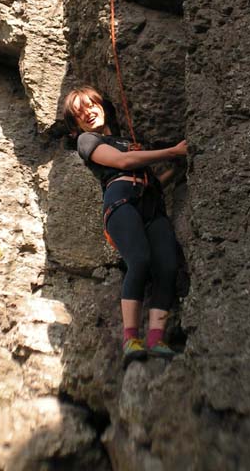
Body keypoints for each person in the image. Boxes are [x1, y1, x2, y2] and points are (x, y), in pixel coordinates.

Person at [63, 85, 187, 366]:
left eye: (91, 105)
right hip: (120, 204)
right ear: (77, 126)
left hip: (151, 204)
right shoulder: (87, 141)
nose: (89, 114)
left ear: (102, 106)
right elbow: (124, 162)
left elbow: (150, 180)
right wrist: (173, 152)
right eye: (81, 114)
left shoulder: (124, 139)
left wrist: (174, 173)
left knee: (167, 266)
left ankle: (157, 338)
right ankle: (131, 338)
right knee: (140, 260)